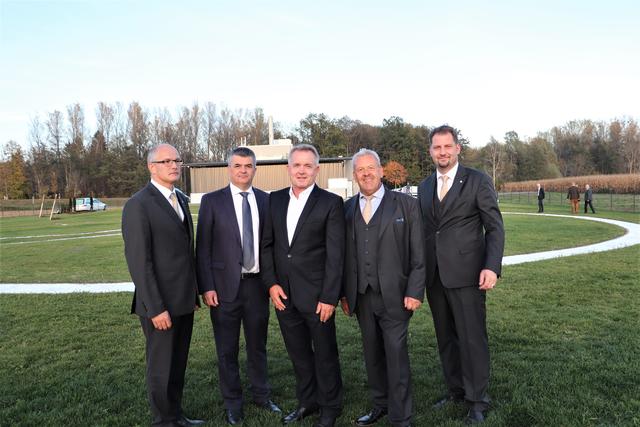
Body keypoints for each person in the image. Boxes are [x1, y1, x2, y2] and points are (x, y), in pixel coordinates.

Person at [417, 125, 505, 425]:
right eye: (436, 147)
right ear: (430, 151)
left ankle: (478, 400)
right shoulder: (425, 185)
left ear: (457, 149)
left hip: (468, 274)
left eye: (447, 147)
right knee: (446, 338)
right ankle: (455, 390)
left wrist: (491, 266)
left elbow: (494, 227)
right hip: (435, 276)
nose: (442, 152)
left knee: (472, 338)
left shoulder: (478, 181)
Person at [195, 147, 281, 425]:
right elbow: (203, 248)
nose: (243, 170)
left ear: (255, 169)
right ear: (229, 169)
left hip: (257, 287)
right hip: (223, 289)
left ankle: (261, 395)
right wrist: (207, 286)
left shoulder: (266, 201)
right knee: (227, 349)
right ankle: (233, 403)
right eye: (237, 166)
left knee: (258, 346)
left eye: (248, 166)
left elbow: (272, 246)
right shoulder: (212, 201)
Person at [261, 144, 345, 427]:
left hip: (317, 296)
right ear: (288, 168)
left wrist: (330, 297)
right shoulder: (273, 201)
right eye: (296, 165)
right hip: (284, 295)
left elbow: (336, 255)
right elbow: (267, 246)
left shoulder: (330, 203)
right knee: (298, 354)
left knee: (324, 354)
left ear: (316, 170)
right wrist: (271, 284)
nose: (301, 170)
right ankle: (307, 401)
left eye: (307, 166)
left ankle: (330, 407)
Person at [341, 149, 425, 427]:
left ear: (381, 171)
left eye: (370, 168)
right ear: (354, 175)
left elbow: (419, 253)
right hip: (362, 296)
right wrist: (344, 292)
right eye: (360, 170)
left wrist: (414, 291)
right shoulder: (348, 207)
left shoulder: (405, 205)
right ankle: (380, 405)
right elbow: (344, 255)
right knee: (372, 354)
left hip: (396, 295)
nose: (366, 174)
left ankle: (401, 417)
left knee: (395, 355)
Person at [122, 143, 204, 427]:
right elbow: (139, 262)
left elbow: (184, 252)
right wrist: (155, 308)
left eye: (177, 160)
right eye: (166, 161)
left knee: (178, 364)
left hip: (183, 300)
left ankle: (175, 415)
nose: (173, 165)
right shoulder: (138, 204)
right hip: (159, 305)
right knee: (161, 367)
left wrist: (193, 293)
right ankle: (163, 421)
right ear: (151, 167)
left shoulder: (179, 199)